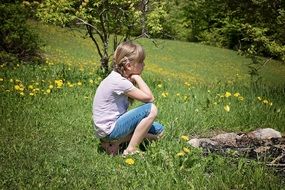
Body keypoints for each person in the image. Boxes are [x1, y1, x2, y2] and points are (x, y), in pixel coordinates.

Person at [92, 41, 164, 156]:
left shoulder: (116, 77)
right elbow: (149, 98)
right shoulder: (119, 82)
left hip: (107, 129)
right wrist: (137, 77)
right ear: (129, 65)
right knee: (151, 109)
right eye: (140, 62)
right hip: (110, 130)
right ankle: (130, 149)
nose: (144, 65)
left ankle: (116, 142)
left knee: (160, 130)